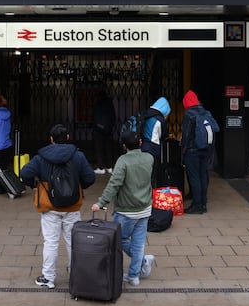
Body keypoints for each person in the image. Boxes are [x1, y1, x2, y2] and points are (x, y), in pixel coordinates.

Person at [20, 124, 96, 289]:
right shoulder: (78, 156)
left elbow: (24, 173)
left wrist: (34, 185)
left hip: (50, 207)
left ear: (51, 139)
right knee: (73, 242)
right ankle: (76, 275)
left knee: (51, 242)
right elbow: (90, 177)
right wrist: (79, 186)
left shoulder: (41, 157)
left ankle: (48, 278)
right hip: (73, 207)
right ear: (68, 138)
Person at [91, 130, 155, 286]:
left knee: (119, 239)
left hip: (126, 210)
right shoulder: (149, 158)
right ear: (140, 143)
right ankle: (134, 275)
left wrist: (101, 203)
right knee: (138, 243)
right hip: (145, 208)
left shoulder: (123, 161)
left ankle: (141, 263)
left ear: (124, 146)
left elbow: (114, 184)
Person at [180, 89, 215, 214]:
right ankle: (203, 204)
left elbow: (186, 135)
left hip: (192, 150)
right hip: (205, 150)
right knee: (203, 176)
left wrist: (183, 151)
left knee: (194, 178)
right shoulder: (205, 112)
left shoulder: (189, 114)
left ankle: (197, 205)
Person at [141, 96, 171, 185]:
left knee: (144, 173)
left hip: (144, 146)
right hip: (153, 148)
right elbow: (163, 135)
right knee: (153, 173)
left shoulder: (146, 114)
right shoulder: (160, 120)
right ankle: (152, 194)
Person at [92, 88, 116, 174]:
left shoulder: (98, 103)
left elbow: (95, 116)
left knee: (99, 148)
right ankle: (109, 167)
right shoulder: (109, 103)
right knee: (108, 148)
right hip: (108, 129)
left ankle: (101, 167)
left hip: (99, 130)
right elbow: (113, 116)